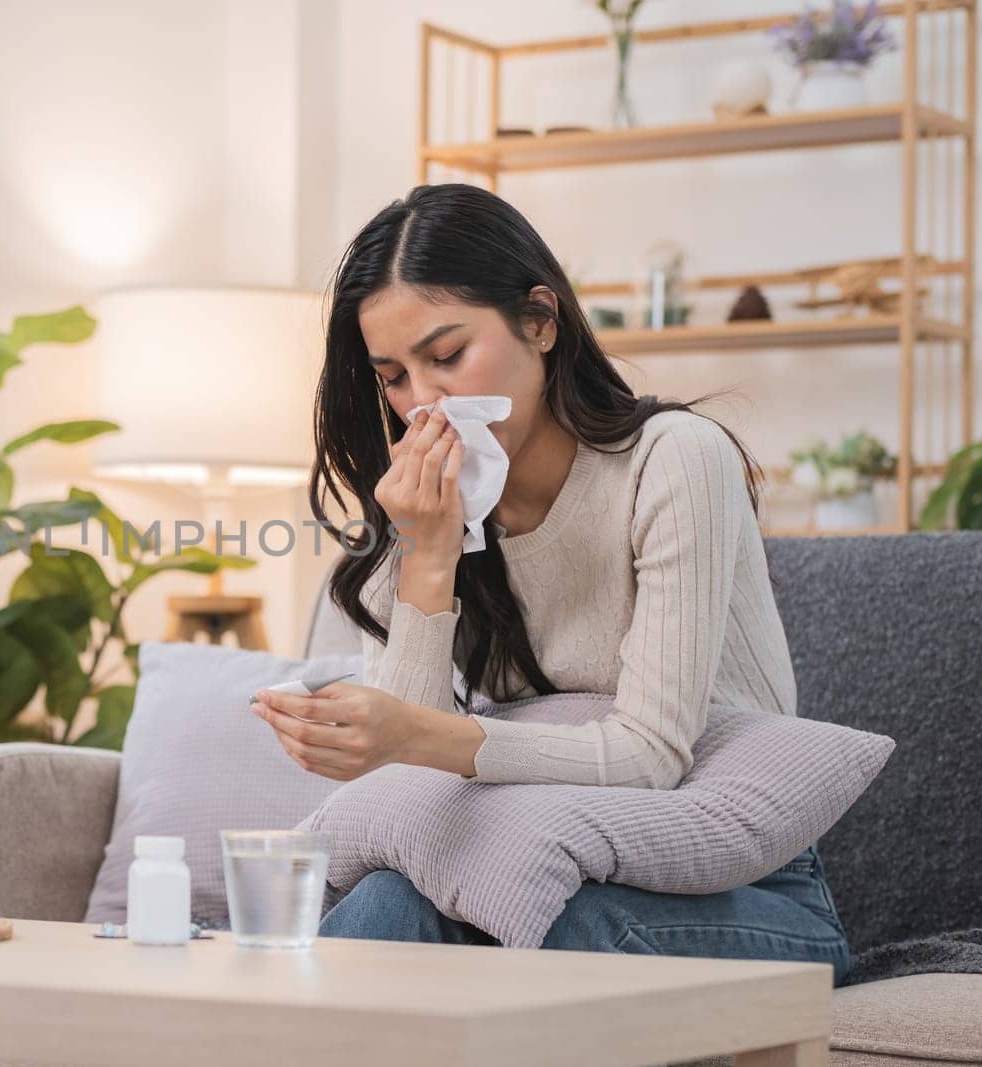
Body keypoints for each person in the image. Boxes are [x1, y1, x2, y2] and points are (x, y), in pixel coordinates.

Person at [246, 183, 852, 985]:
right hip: (515, 857)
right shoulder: (418, 508)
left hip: (735, 889)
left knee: (527, 926)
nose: (422, 404)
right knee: (397, 900)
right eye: (392, 376)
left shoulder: (674, 461)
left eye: (448, 355)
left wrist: (408, 734)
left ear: (540, 320)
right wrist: (430, 553)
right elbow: (407, 793)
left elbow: (652, 756)